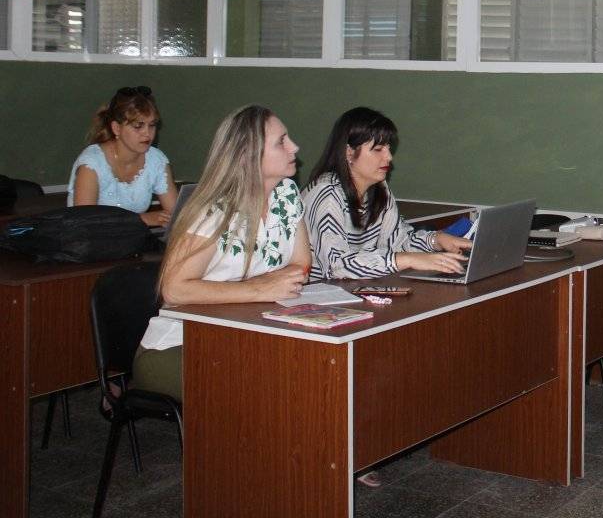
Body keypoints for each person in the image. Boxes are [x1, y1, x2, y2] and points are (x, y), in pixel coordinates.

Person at [132, 106, 310, 401]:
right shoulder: (213, 209)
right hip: (181, 344)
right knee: (272, 383)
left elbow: (300, 266)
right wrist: (258, 289)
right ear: (248, 153)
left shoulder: (287, 194)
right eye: (282, 141)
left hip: (248, 332)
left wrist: (263, 288)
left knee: (303, 371)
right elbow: (174, 289)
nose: (295, 147)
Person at [303, 106, 471, 280]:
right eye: (378, 149)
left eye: (388, 148)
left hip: (357, 287)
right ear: (349, 152)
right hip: (320, 291)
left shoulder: (379, 187)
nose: (389, 157)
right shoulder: (327, 195)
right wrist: (407, 259)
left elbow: (397, 242)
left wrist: (437, 240)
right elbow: (336, 266)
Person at [68, 85, 178, 228]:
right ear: (116, 128)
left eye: (152, 125)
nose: (147, 133)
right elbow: (85, 223)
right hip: (89, 239)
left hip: (131, 239)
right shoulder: (92, 164)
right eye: (138, 126)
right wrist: (141, 219)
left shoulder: (156, 160)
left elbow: (176, 214)